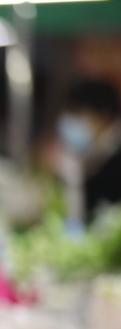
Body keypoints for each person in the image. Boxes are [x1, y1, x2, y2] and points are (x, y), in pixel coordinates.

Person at [57, 79, 121, 222]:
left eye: (78, 114)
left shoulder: (114, 162)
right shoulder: (90, 157)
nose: (71, 123)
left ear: (104, 115)